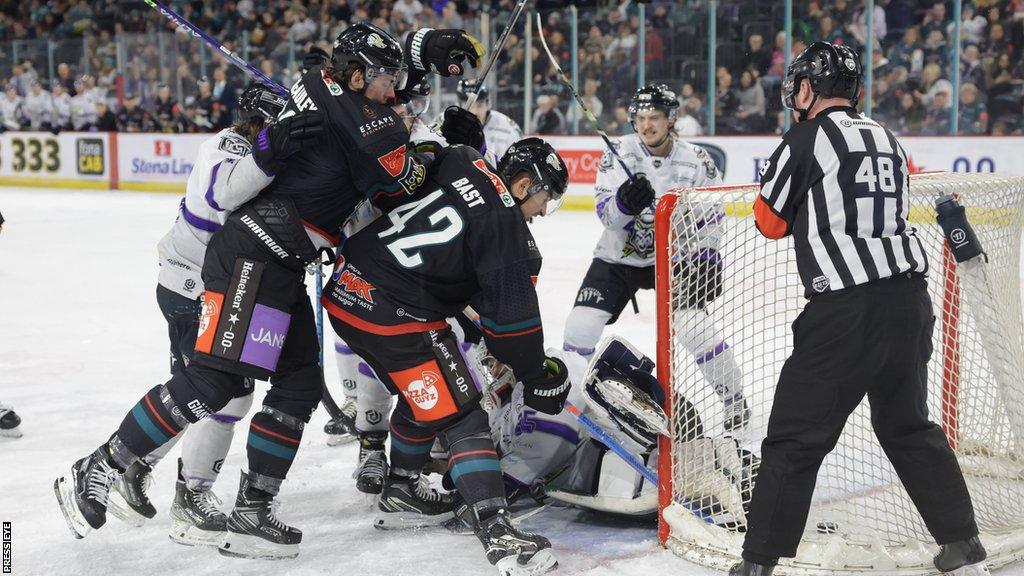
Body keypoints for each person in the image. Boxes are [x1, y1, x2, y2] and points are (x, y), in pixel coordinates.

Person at [54, 22, 480, 560]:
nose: (394, 88)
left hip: (278, 259)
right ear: (356, 75)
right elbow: (408, 187)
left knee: (299, 385)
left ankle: (254, 508)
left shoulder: (320, 86)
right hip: (255, 253)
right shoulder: (371, 126)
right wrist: (452, 147)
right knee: (215, 380)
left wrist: (415, 113)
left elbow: (375, 132)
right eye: (386, 78)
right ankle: (101, 466)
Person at [732, 41, 985, 576]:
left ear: (806, 88)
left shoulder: (803, 138)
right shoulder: (887, 138)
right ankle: (962, 543)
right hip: (909, 303)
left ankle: (757, 564)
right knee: (907, 425)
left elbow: (769, 223)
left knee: (794, 439)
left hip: (846, 312)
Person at [323, 137, 570, 575]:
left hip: (348, 286)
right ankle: (498, 531)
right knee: (463, 414)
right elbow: (515, 327)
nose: (545, 210)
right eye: (545, 196)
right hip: (394, 309)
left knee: (427, 391)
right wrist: (538, 372)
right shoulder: (508, 231)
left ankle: (401, 489)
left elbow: (419, 157)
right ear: (524, 183)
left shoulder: (463, 158)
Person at [103, 83, 298, 547]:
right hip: (193, 289)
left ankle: (138, 464)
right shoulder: (230, 145)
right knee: (223, 395)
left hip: (207, 287)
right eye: (276, 124)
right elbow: (222, 196)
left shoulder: (253, 150)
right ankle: (189, 494)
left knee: (200, 391)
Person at [562, 83, 751, 431]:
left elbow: (711, 216)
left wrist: (707, 253)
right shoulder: (617, 154)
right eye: (641, 118)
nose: (646, 125)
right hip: (617, 259)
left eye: (655, 118)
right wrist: (624, 204)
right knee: (580, 327)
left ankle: (734, 399)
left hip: (673, 260)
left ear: (671, 120)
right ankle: (570, 399)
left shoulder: (697, 160)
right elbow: (607, 218)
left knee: (695, 328)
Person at [454, 78, 523, 159]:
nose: (474, 112)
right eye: (469, 105)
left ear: (488, 104)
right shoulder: (444, 124)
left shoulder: (508, 129)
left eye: (479, 105)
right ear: (458, 105)